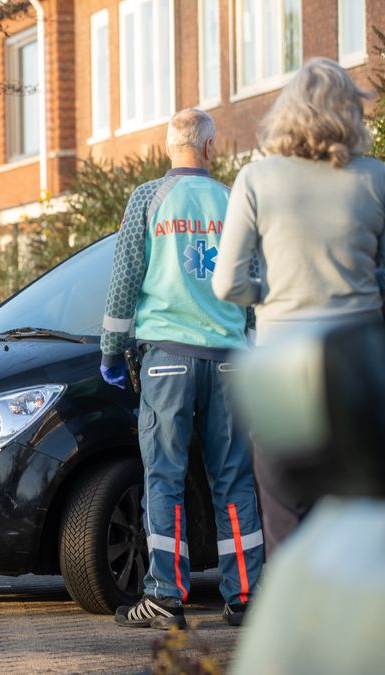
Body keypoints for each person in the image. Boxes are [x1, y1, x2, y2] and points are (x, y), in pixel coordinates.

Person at [213, 57, 385, 557]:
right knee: (361, 517)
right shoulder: (376, 178)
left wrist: (272, 293)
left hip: (281, 363)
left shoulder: (256, 179)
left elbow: (226, 283)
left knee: (285, 515)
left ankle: (294, 628)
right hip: (359, 361)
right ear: (351, 112)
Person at [99, 108, 263, 629]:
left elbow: (125, 279)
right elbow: (255, 282)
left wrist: (110, 349)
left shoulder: (148, 198)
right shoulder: (234, 199)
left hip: (167, 361)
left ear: (170, 149)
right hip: (231, 361)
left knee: (164, 476)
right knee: (233, 477)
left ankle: (167, 597)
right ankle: (245, 597)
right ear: (210, 148)